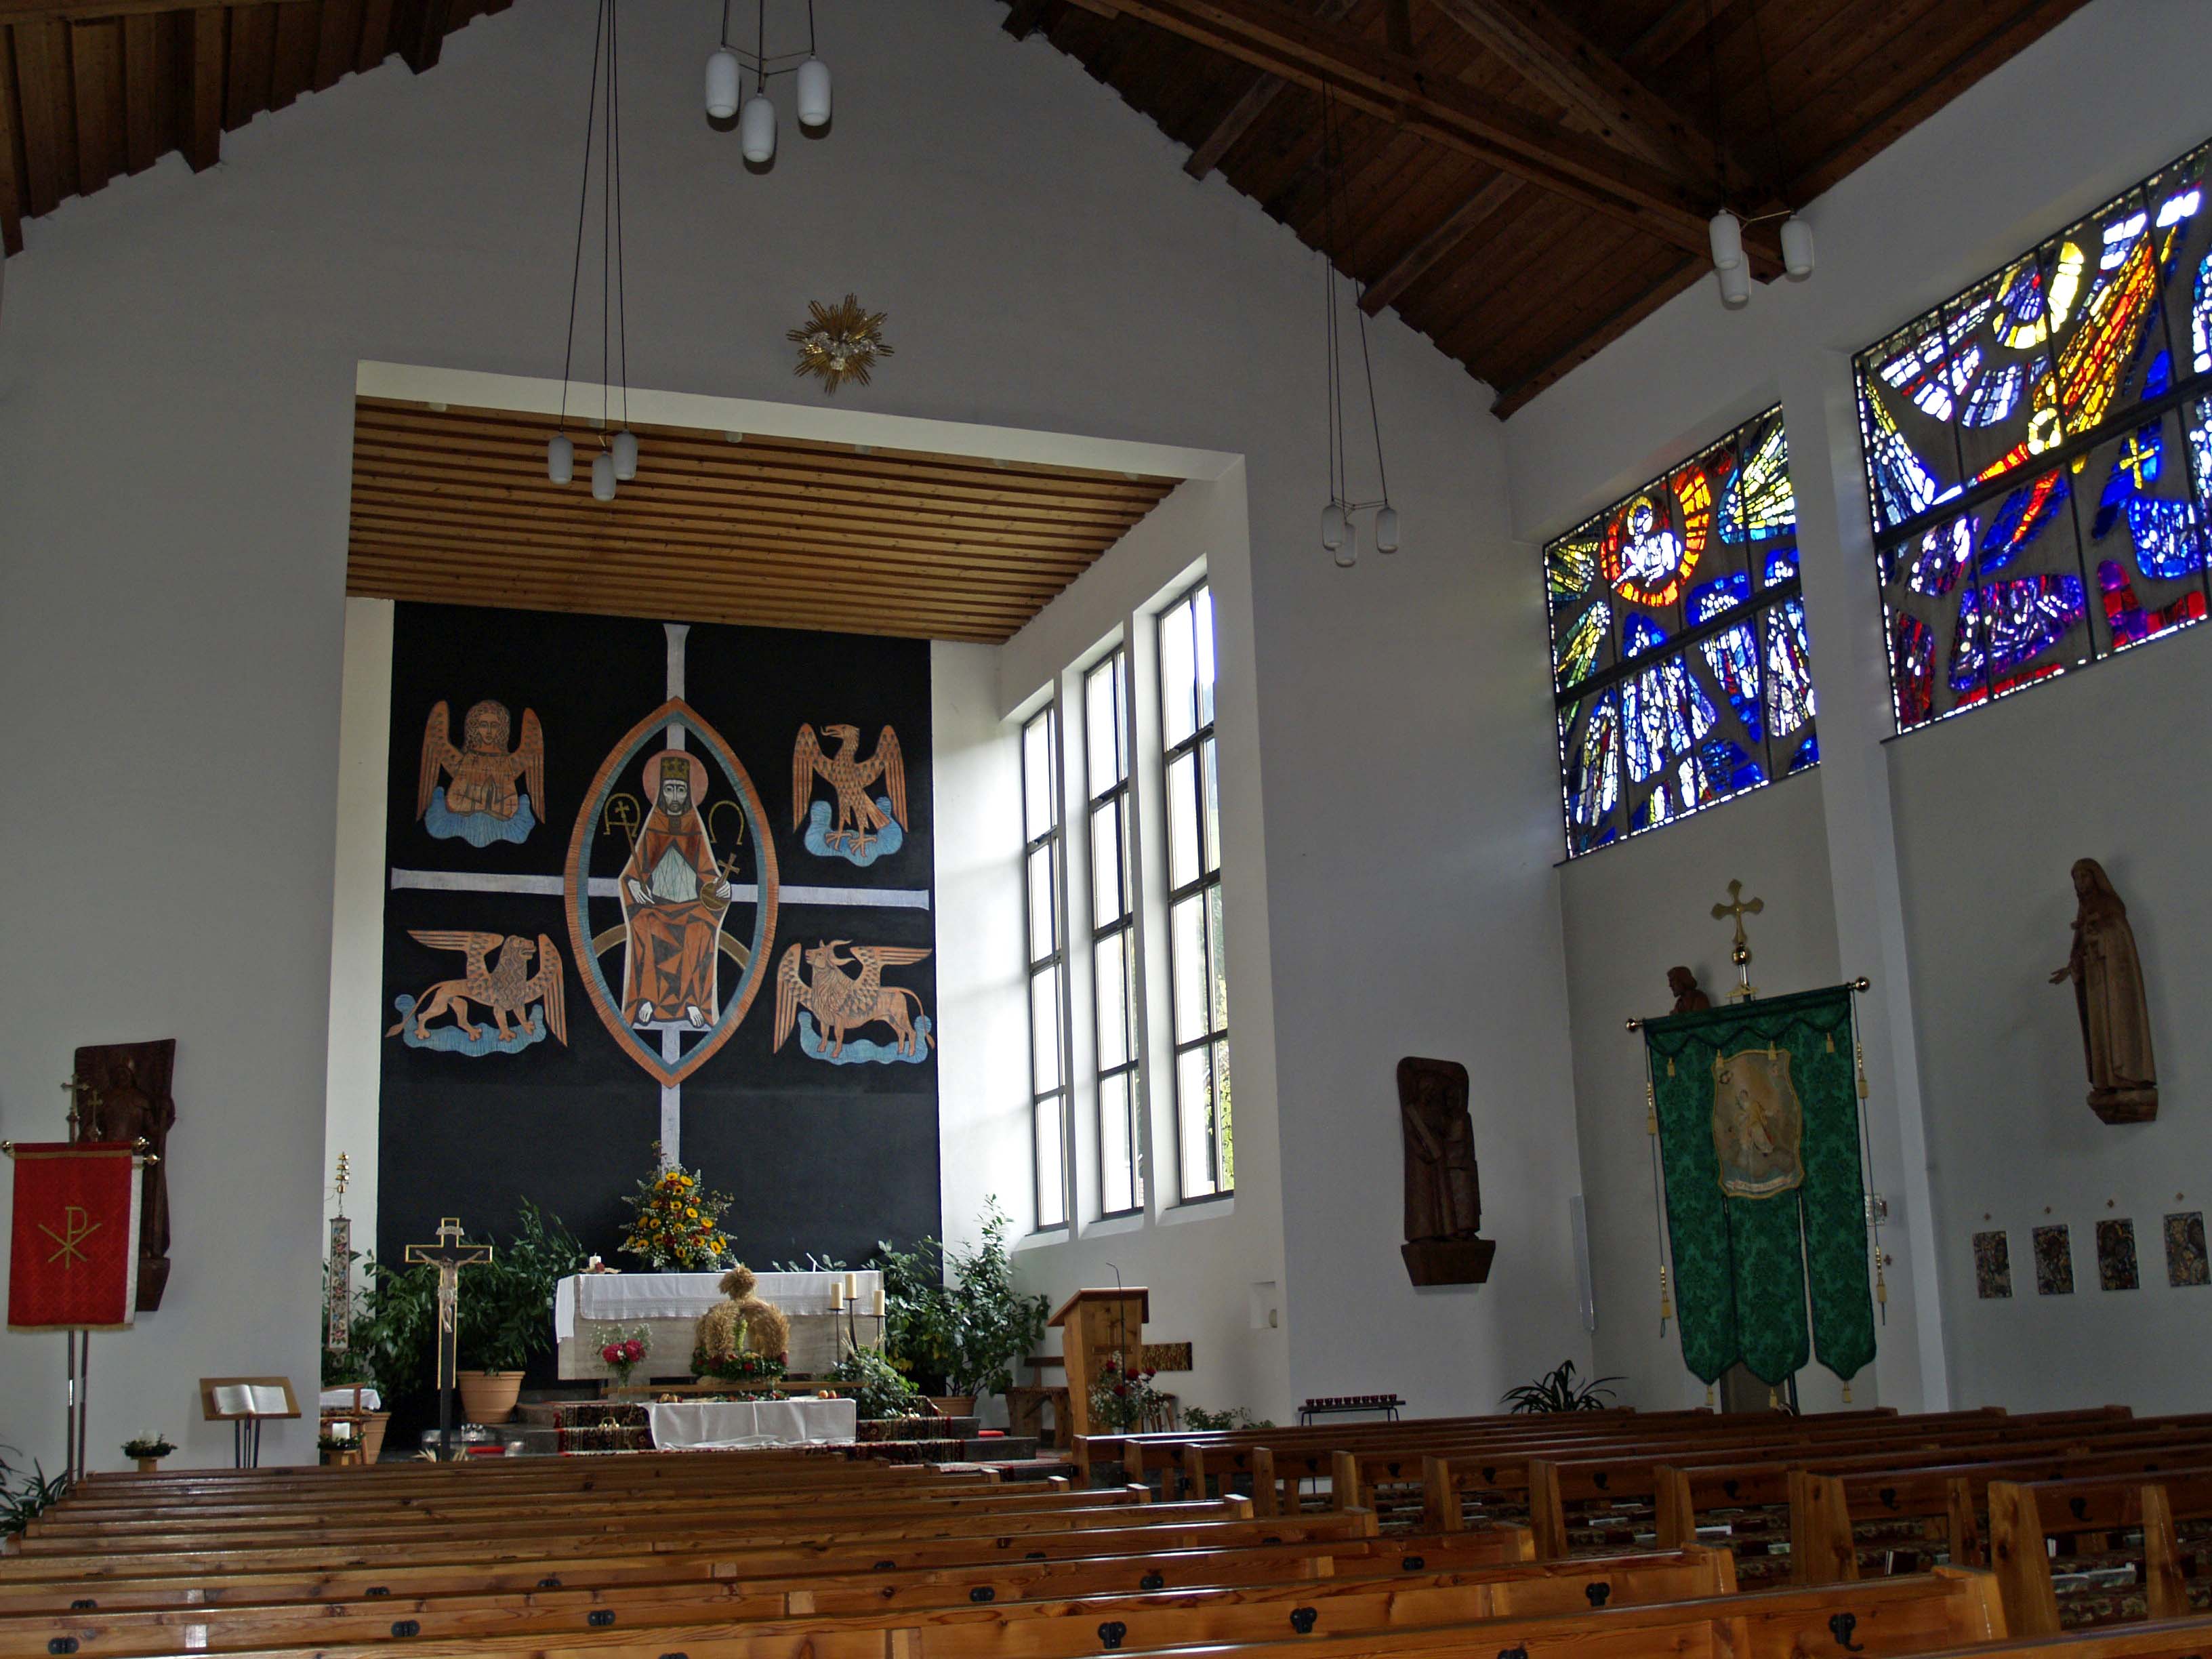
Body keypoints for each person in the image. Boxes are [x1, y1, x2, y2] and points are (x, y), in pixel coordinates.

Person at [621, 752, 732, 1030]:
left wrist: (721, 887)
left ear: (688, 793)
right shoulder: (654, 827)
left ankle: (692, 1002)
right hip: (656, 906)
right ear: (660, 791)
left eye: (680, 790)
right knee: (646, 924)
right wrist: (633, 884)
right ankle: (648, 999)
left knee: (700, 929)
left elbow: (708, 874)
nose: (674, 796)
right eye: (669, 789)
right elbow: (633, 873)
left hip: (691, 906)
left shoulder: (694, 827)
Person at [2049, 857, 2158, 1122]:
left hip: (2114, 984)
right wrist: (2072, 968)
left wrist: (2098, 934)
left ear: (2096, 878)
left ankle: (2128, 1077)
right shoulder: (2084, 910)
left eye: (2084, 877)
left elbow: (2118, 936)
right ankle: (2106, 1082)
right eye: (2076, 879)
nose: (2080, 883)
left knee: (2117, 1028)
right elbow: (2081, 948)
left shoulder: (2109, 905)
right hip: (2095, 986)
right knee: (2099, 1033)